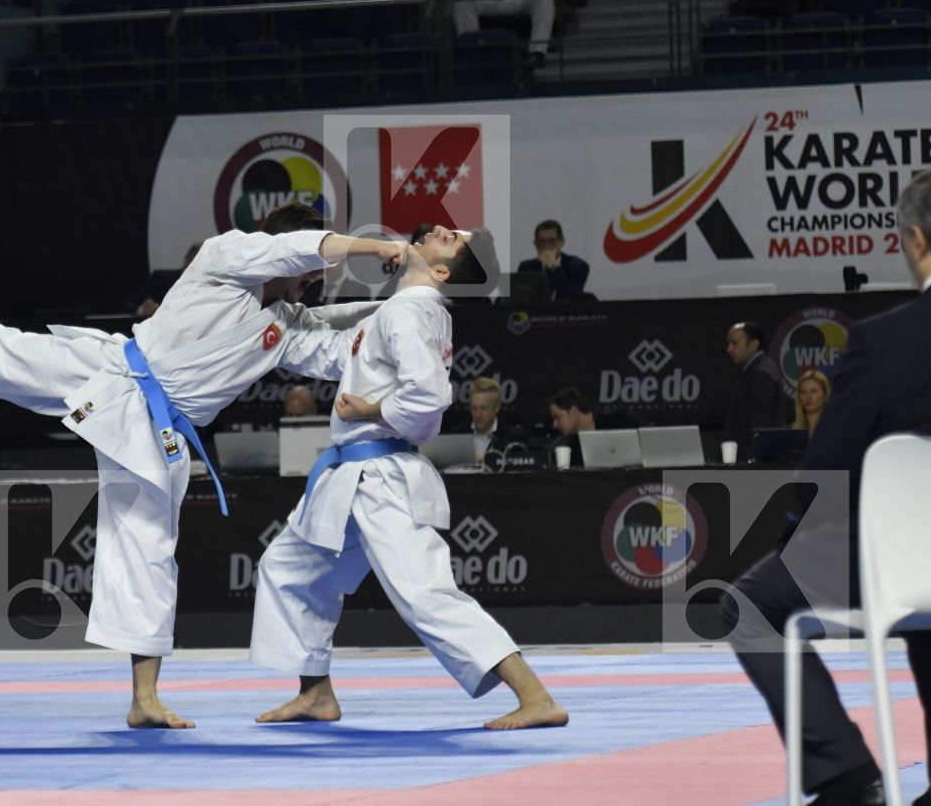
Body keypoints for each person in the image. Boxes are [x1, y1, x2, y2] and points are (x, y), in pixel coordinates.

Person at [0, 203, 404, 728]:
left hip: (159, 432)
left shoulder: (283, 327)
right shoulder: (226, 256)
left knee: (148, 550)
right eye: (306, 266)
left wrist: (408, 309)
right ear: (282, 247)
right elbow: (296, 250)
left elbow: (339, 345)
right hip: (112, 370)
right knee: (3, 350)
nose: (311, 279)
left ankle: (144, 699)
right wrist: (368, 248)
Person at [724, 162, 931, 806]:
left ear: (916, 240)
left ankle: (846, 778)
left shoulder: (884, 342)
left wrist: (800, 540)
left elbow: (823, 479)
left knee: (748, 604)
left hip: (906, 559)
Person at [247, 226, 567, 731]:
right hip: (351, 476)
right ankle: (315, 693)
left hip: (381, 476)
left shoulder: (408, 312)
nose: (440, 229)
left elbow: (429, 399)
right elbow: (329, 354)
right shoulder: (398, 313)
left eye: (450, 239)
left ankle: (535, 694)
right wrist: (263, 318)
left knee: (424, 592)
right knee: (290, 569)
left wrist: (369, 407)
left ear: (441, 271)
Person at [724, 322, 789, 460]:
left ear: (753, 344)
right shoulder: (754, 370)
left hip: (755, 465)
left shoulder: (760, 374)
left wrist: (754, 464)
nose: (729, 349)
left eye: (734, 343)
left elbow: (760, 426)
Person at [547, 387, 642, 469]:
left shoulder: (621, 420)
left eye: (557, 417)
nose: (554, 425)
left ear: (574, 412)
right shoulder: (568, 448)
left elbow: (652, 441)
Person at [514, 219, 593, 299]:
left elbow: (573, 296)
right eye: (542, 241)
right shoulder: (526, 267)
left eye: (552, 241)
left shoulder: (577, 266)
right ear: (535, 244)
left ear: (562, 242)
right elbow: (520, 299)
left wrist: (553, 267)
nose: (547, 246)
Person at [792, 366, 830, 437]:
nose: (808, 397)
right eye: (803, 392)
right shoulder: (790, 432)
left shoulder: (836, 428)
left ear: (825, 395)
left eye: (813, 391)